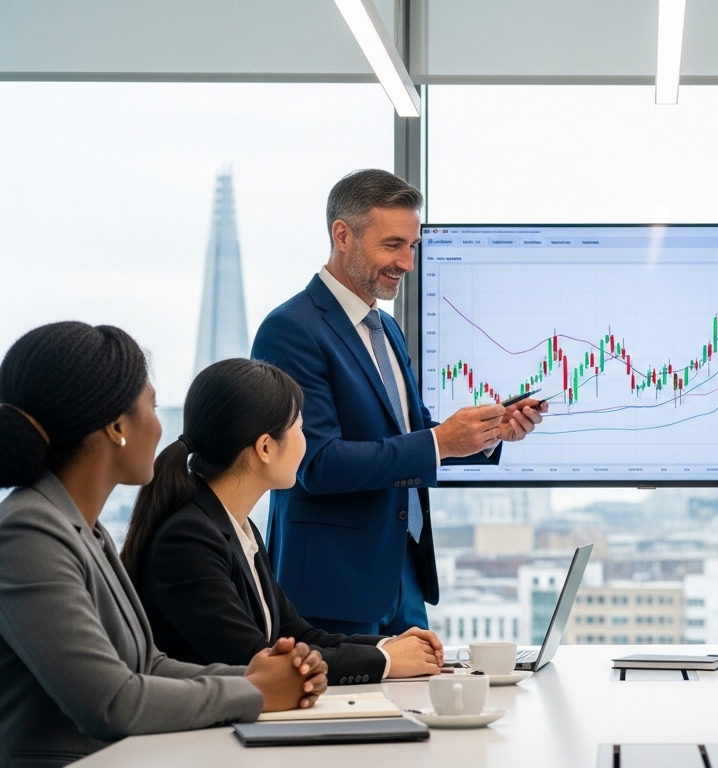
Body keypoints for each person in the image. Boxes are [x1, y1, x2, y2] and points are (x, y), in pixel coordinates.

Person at [0, 322, 327, 766]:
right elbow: (112, 702)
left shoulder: (82, 527)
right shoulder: (28, 534)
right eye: (152, 406)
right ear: (117, 426)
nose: (161, 427)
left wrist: (259, 675)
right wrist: (255, 690)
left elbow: (148, 666)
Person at [251, 169, 545, 636]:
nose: (407, 263)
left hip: (402, 575)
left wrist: (489, 433)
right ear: (342, 235)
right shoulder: (291, 330)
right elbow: (317, 462)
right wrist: (439, 441)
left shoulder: (385, 328)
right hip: (333, 585)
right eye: (392, 245)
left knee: (414, 708)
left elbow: (413, 435)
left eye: (412, 247)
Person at [121, 358, 445, 687]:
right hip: (204, 733)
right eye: (300, 428)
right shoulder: (187, 540)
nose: (306, 442)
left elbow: (299, 633)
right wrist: (387, 661)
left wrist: (388, 645)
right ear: (265, 447)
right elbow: (259, 662)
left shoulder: (234, 527)